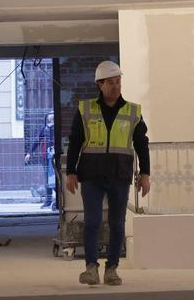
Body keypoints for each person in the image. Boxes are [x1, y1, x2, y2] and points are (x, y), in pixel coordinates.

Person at [65, 60, 150, 287]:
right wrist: (70, 171)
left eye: (118, 81)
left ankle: (112, 269)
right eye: (110, 83)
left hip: (119, 176)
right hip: (91, 175)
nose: (115, 86)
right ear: (100, 85)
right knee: (92, 222)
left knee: (117, 223)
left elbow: (142, 144)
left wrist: (145, 174)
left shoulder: (133, 111)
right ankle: (91, 268)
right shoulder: (86, 109)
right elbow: (74, 142)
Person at [24, 111, 57, 209]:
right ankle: (48, 200)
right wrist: (29, 153)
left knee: (57, 179)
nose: (51, 117)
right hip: (46, 158)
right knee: (48, 179)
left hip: (56, 157)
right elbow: (37, 141)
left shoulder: (58, 127)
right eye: (50, 116)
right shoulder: (45, 128)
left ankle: (60, 199)